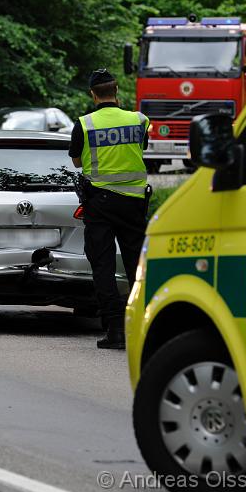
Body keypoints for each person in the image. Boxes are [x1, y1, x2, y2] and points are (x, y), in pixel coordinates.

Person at [69, 69, 150, 350]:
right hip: (134, 203)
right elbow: (141, 148)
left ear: (93, 94)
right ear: (116, 91)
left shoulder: (84, 124)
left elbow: (78, 162)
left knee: (102, 265)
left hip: (100, 203)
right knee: (136, 266)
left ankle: (115, 329)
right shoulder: (139, 120)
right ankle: (142, 324)